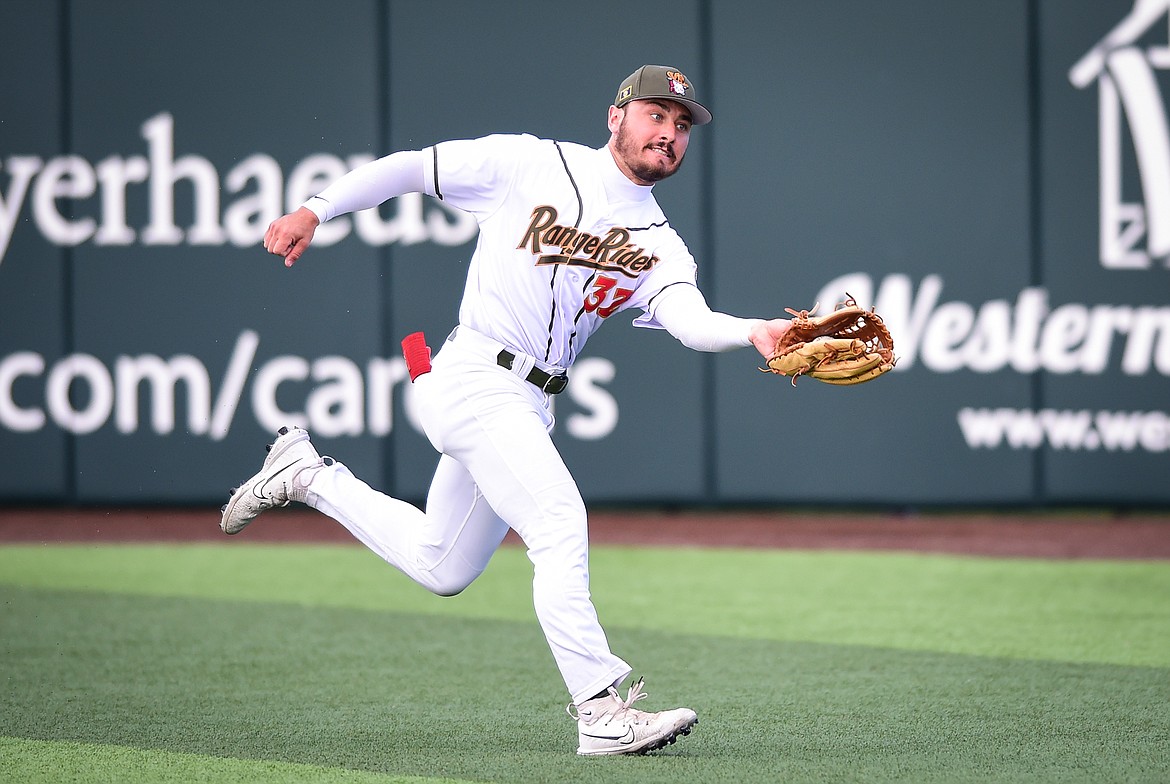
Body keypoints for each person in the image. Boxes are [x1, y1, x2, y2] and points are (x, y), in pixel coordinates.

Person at [221, 64, 792, 756]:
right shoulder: (532, 164)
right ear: (615, 117)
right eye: (654, 115)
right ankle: (600, 712)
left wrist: (754, 330)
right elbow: (412, 169)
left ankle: (304, 474)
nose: (667, 133)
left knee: (444, 565)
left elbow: (690, 320)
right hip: (473, 376)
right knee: (557, 520)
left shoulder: (659, 242)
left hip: (527, 402)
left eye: (679, 125)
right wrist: (316, 208)